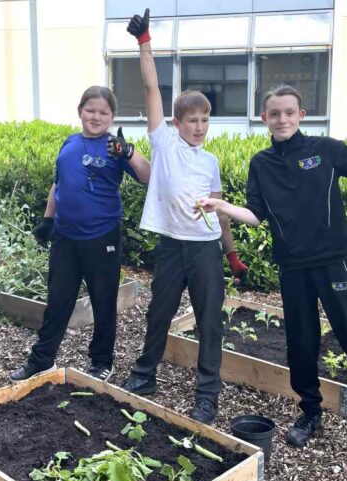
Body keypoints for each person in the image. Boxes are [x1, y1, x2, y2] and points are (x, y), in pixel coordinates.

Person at [197, 84, 347, 478]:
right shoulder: (261, 163)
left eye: (289, 112)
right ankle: (310, 412)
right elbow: (255, 214)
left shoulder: (327, 149)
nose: (282, 119)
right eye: (274, 114)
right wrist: (221, 207)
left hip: (333, 262)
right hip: (292, 267)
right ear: (264, 118)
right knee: (300, 343)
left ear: (302, 114)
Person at [121, 9, 248, 424]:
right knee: (160, 311)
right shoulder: (164, 144)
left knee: (210, 323)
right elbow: (152, 88)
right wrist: (145, 43)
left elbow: (221, 210)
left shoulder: (210, 161)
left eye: (205, 120)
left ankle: (207, 396)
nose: (199, 127)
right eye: (192, 120)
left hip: (206, 249)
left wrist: (229, 254)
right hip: (172, 246)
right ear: (175, 124)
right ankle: (144, 376)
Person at [9, 86, 151, 383]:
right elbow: (58, 185)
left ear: (112, 116)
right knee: (58, 301)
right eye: (91, 110)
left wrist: (130, 152)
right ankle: (42, 359)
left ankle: (101, 361)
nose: (96, 117)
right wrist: (48, 220)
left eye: (103, 112)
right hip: (65, 238)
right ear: (80, 112)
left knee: (103, 301)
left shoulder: (116, 147)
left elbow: (150, 176)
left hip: (102, 238)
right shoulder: (69, 144)